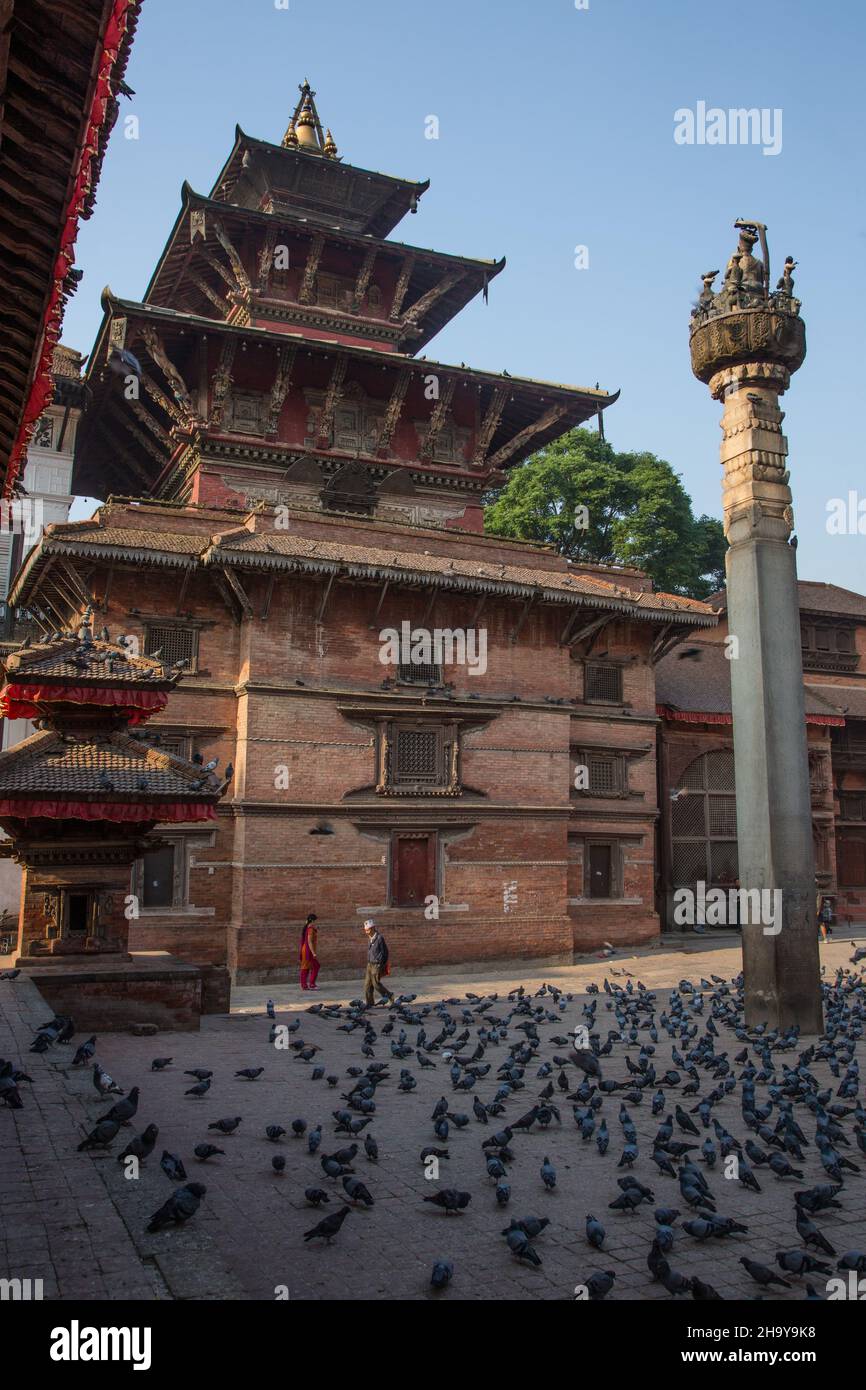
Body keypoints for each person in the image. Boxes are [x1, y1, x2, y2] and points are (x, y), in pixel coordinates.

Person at [363, 919, 394, 1008]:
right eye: (365, 930)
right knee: (367, 985)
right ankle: (369, 1003)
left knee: (376, 984)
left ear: (373, 928)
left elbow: (385, 952)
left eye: (368, 930)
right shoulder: (370, 938)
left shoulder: (379, 938)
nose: (366, 932)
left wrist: (381, 963)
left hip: (377, 964)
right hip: (369, 964)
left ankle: (389, 995)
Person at [299, 913, 319, 990]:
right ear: (313, 921)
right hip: (308, 950)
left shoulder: (309, 928)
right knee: (313, 966)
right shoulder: (310, 929)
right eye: (315, 921)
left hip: (307, 949)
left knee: (307, 966)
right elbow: (309, 941)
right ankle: (311, 984)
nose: (316, 922)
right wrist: (313, 952)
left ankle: (305, 985)